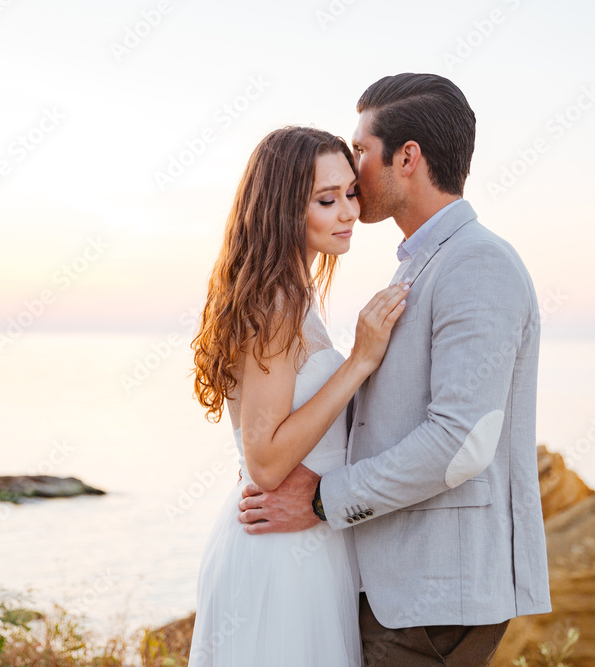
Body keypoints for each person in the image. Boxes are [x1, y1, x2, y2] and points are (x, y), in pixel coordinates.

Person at [238, 73, 552, 666]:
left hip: (435, 595)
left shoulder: (476, 264)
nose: (353, 170)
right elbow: (387, 411)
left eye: (360, 149)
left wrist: (321, 497)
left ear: (407, 157)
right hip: (396, 586)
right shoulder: (417, 265)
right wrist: (291, 458)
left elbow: (461, 442)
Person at [187, 126, 409, 666]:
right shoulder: (277, 301)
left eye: (350, 193)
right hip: (280, 555)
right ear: (284, 209)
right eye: (326, 200)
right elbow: (264, 460)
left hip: (302, 542)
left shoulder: (291, 292)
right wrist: (359, 361)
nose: (348, 212)